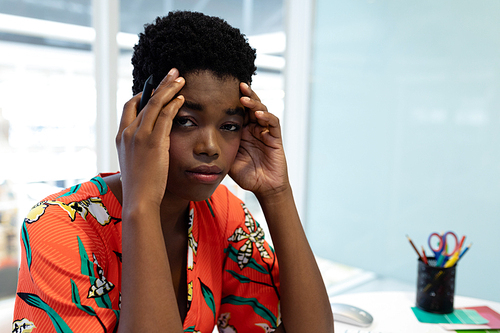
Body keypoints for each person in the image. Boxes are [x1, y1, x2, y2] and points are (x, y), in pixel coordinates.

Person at [13, 11, 334, 333]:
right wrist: (142, 204)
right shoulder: (58, 226)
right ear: (140, 119)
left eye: (229, 126)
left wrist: (276, 194)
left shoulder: (222, 212)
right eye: (185, 120)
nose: (210, 146)